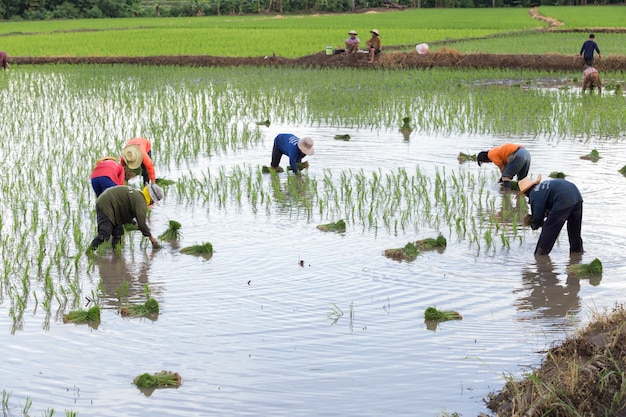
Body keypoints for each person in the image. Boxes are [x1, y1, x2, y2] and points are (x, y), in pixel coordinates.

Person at [86, 184, 164, 254]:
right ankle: (88, 253)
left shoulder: (138, 196)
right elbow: (142, 224)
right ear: (151, 198)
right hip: (106, 204)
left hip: (113, 207)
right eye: (153, 201)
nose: (153, 203)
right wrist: (151, 238)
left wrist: (134, 223)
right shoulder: (141, 202)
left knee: (118, 233)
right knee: (104, 234)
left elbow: (124, 208)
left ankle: (116, 256)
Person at [517, 176, 583, 256]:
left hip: (563, 199)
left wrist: (534, 225)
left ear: (525, 193)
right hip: (576, 196)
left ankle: (540, 255)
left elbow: (537, 217)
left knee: (549, 229)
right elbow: (548, 209)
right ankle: (577, 253)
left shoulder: (534, 194)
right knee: (574, 229)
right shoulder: (543, 187)